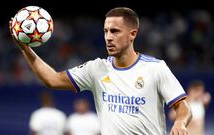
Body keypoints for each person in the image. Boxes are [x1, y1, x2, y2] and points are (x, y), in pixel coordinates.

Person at [10, 7, 192, 135]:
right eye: (105, 31)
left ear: (133, 34)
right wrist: (25, 49)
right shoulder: (96, 69)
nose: (108, 37)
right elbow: (53, 79)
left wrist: (180, 122)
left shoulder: (155, 68)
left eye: (115, 31)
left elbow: (183, 106)